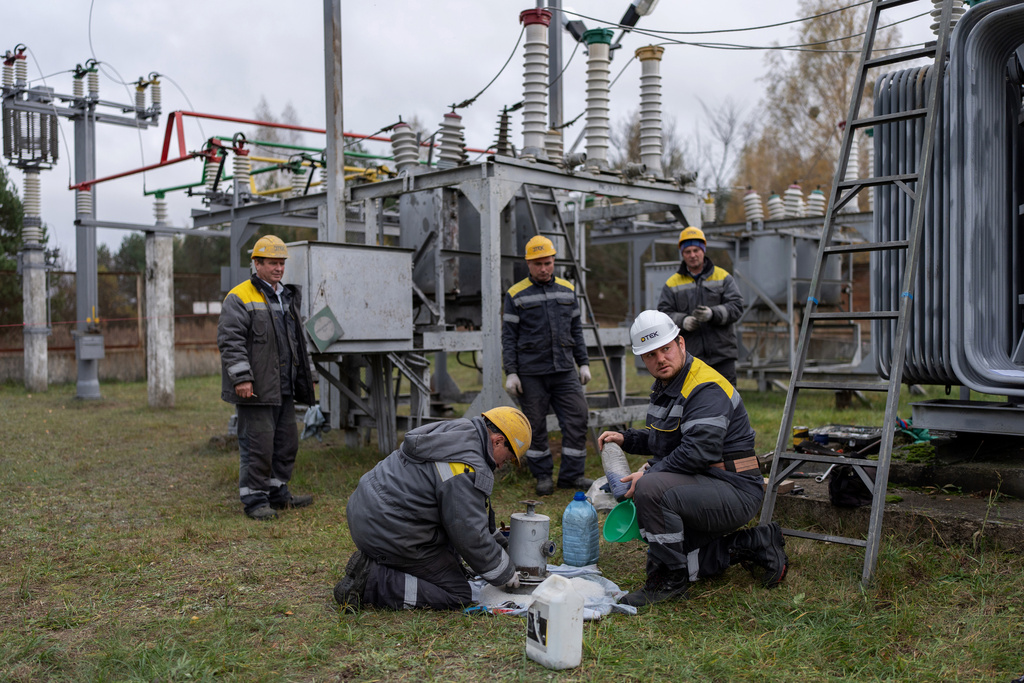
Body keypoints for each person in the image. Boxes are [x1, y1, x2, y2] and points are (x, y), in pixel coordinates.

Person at [597, 310, 787, 607]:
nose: (660, 359)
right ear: (642, 359)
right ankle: (755, 543)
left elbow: (698, 452)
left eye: (666, 349)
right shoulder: (668, 385)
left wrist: (648, 475)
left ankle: (670, 581)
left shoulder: (704, 387)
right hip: (705, 484)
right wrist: (626, 438)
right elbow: (665, 438)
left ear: (681, 344)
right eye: (650, 355)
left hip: (734, 488)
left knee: (650, 490)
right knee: (688, 558)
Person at [334, 407, 532, 611]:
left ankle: (382, 564)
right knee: (457, 593)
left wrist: (502, 546)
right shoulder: (466, 467)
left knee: (449, 554)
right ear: (497, 441)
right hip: (388, 529)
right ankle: (372, 580)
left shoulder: (460, 432)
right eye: (506, 459)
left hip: (370, 512)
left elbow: (471, 514)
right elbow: (468, 533)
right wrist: (504, 574)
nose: (501, 466)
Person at [218, 235, 316, 521]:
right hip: (256, 388)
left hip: (283, 386)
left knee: (286, 442)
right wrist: (241, 379)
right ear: (256, 263)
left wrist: (306, 376)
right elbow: (230, 341)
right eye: (272, 263)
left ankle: (277, 492)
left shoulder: (285, 296)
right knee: (258, 445)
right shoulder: (240, 296)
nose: (279, 268)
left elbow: (297, 341)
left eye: (282, 263)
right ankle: (255, 500)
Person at [501, 235, 593, 496]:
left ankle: (572, 475)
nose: (544, 268)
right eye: (538, 263)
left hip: (564, 371)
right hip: (531, 373)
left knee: (577, 417)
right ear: (528, 264)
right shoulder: (515, 294)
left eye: (548, 263)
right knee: (535, 425)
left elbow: (577, 330)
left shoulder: (567, 289)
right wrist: (512, 373)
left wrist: (583, 363)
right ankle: (542, 475)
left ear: (554, 261)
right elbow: (509, 337)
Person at [657, 226, 744, 385]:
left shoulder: (723, 277)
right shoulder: (672, 284)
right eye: (688, 251)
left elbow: (737, 307)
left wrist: (713, 314)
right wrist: (683, 321)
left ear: (703, 250)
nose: (692, 255)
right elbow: (664, 315)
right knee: (695, 404)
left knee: (728, 402)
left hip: (722, 356)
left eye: (696, 250)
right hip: (690, 358)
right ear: (682, 254)